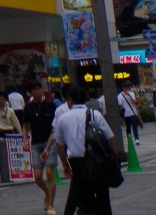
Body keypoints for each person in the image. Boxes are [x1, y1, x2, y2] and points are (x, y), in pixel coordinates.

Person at [53, 85, 114, 215]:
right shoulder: (94, 114)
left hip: (77, 164)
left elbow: (60, 146)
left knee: (84, 201)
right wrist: (113, 158)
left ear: (70, 101)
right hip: (98, 162)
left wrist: (65, 165)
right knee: (103, 199)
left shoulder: (62, 119)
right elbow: (110, 139)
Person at [24, 82, 59, 215]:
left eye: (40, 89)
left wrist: (49, 146)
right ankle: (47, 193)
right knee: (37, 176)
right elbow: (25, 125)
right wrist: (24, 139)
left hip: (50, 142)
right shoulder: (28, 108)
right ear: (30, 93)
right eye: (35, 89)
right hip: (35, 144)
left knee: (49, 172)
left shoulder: (50, 105)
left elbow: (55, 127)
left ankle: (51, 205)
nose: (38, 91)